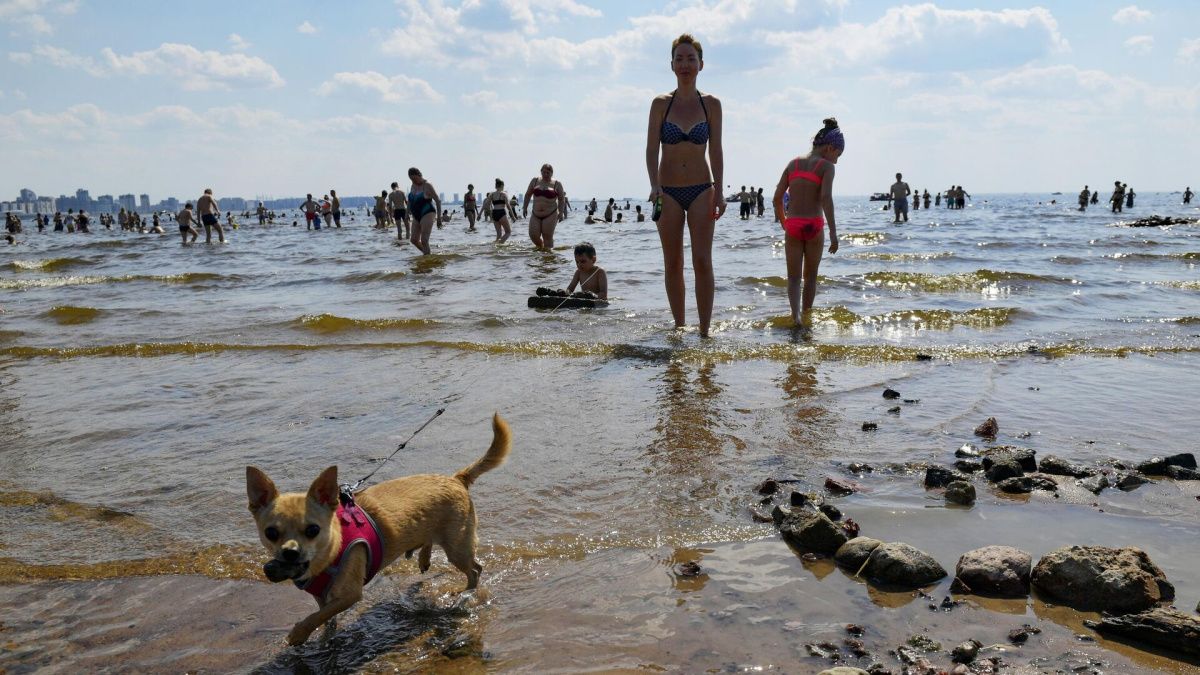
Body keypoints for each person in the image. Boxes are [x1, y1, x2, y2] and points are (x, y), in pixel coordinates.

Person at [645, 33, 724, 338]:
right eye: (679, 58)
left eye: (691, 59)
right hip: (668, 192)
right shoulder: (660, 104)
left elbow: (716, 149)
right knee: (673, 262)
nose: (685, 64)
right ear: (672, 65)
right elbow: (652, 149)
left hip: (703, 189)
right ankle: (680, 327)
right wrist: (654, 185)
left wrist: (719, 189)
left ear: (701, 64)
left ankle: (705, 331)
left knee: (703, 261)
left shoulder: (711, 105)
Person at [771, 118, 842, 326]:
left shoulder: (793, 164)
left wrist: (784, 222)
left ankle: (796, 317)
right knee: (810, 277)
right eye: (838, 155)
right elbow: (826, 199)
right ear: (830, 147)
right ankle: (807, 314)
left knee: (793, 278)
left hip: (793, 225)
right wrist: (833, 233)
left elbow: (777, 197)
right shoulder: (827, 167)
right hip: (814, 226)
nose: (837, 160)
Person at [523, 163, 567, 249]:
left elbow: (561, 199)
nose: (546, 174)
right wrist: (524, 208)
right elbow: (528, 195)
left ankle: (548, 258)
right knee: (533, 235)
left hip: (550, 214)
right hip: (536, 214)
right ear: (541, 172)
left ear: (552, 173)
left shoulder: (557, 184)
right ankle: (541, 250)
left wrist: (561, 213)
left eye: (548, 173)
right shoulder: (535, 181)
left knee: (547, 236)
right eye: (544, 172)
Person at [406, 167, 442, 255]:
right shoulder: (413, 185)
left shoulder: (427, 185)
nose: (413, 181)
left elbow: (438, 200)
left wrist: (439, 218)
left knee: (424, 240)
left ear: (419, 175)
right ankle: (428, 255)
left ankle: (427, 261)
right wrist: (406, 213)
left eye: (414, 178)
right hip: (416, 215)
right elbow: (410, 200)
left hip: (428, 213)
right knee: (414, 240)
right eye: (411, 179)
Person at [486, 178, 512, 243]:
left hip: (494, 213)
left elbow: (487, 205)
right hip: (501, 212)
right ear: (502, 186)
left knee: (499, 234)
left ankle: (495, 245)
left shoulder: (491, 194)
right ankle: (499, 244)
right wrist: (513, 216)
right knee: (508, 232)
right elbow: (508, 206)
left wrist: (490, 215)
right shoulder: (504, 194)